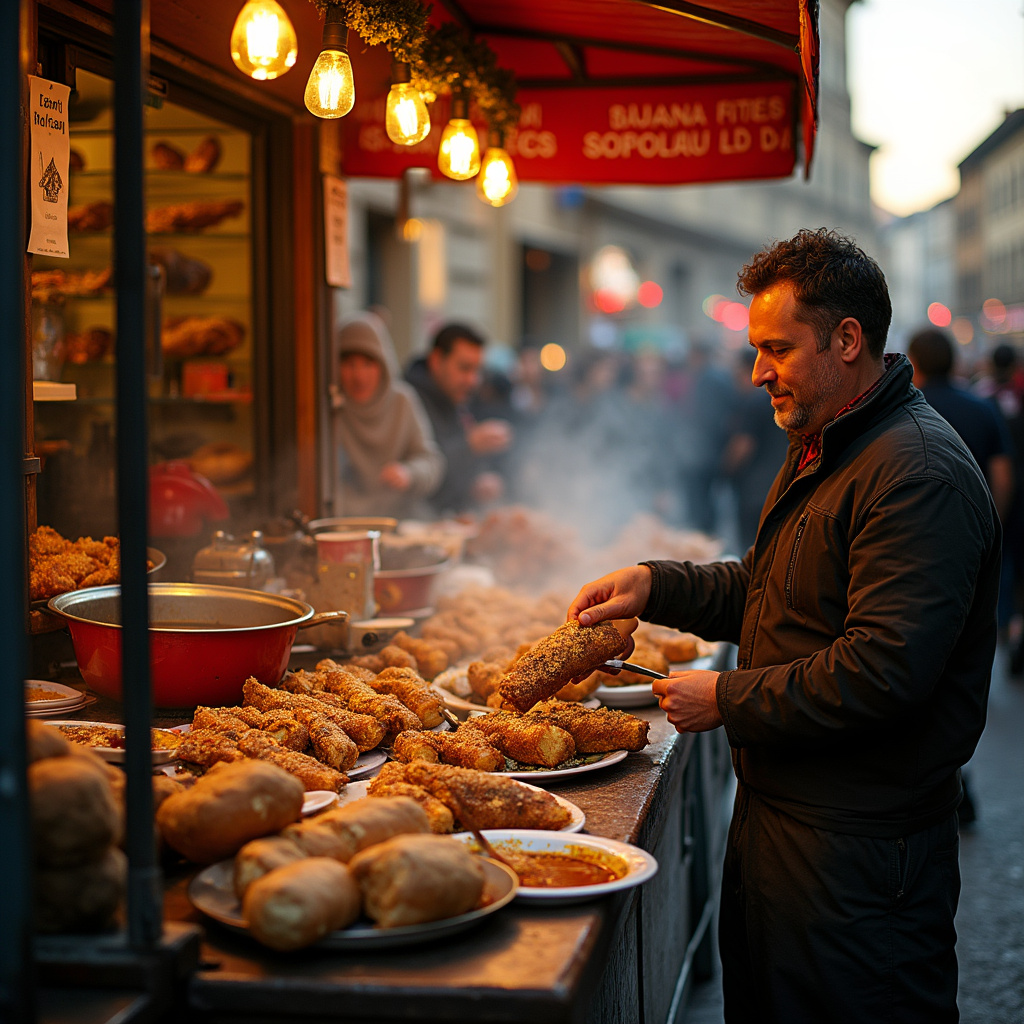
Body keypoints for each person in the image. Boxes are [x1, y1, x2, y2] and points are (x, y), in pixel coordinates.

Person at [567, 228, 1001, 1023]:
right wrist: (655, 585)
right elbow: (776, 594)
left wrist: (727, 699)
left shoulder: (916, 473)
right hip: (787, 831)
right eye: (755, 348)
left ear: (846, 341)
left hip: (864, 861)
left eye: (776, 347)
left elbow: (885, 669)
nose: (757, 370)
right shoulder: (826, 443)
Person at [329, 312, 444, 519]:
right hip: (345, 524)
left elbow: (431, 462)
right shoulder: (330, 408)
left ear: (383, 364)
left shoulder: (402, 400)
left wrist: (408, 473)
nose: (359, 376)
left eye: (368, 363)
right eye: (349, 364)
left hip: (400, 521)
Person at [405, 322, 513, 515]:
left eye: (477, 370)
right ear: (437, 361)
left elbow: (453, 476)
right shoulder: (409, 400)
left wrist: (477, 481)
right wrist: (470, 444)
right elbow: (424, 480)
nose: (472, 380)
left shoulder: (455, 399)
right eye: (464, 368)